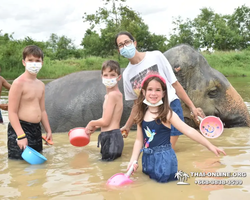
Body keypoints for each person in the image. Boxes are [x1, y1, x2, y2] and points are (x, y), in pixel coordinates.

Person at [127, 73, 226, 183]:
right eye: (150, 89)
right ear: (144, 92)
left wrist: (210, 145)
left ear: (164, 93)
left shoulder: (167, 114)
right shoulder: (141, 114)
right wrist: (133, 160)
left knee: (164, 187)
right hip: (147, 158)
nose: (153, 93)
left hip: (164, 160)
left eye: (158, 90)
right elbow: (139, 140)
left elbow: (188, 130)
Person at [115, 31, 205, 150]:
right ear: (119, 51)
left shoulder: (156, 56)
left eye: (127, 42)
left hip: (171, 105)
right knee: (154, 148)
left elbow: (175, 84)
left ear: (134, 43)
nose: (125, 46)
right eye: (121, 45)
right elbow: (137, 104)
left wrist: (192, 107)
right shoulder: (127, 75)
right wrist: (127, 125)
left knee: (167, 148)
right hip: (151, 113)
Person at [7, 45, 52, 159]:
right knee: (19, 165)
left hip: (36, 129)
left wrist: (48, 130)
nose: (34, 63)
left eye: (37, 61)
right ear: (24, 62)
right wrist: (21, 135)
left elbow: (42, 110)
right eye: (30, 60)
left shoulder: (41, 85)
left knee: (37, 164)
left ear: (42, 63)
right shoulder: (18, 83)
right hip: (21, 128)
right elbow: (12, 112)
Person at [85, 60, 124, 161]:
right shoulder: (113, 95)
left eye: (112, 75)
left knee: (107, 167)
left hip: (111, 138)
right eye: (106, 75)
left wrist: (91, 123)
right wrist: (96, 126)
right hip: (113, 137)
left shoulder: (112, 95)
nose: (109, 78)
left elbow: (105, 121)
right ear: (101, 77)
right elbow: (110, 120)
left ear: (119, 77)